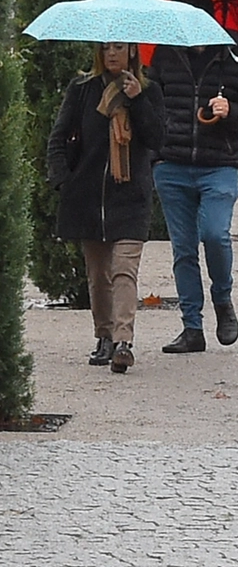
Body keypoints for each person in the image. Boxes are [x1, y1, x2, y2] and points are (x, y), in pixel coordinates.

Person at [149, 0, 238, 355]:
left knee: (215, 235)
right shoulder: (164, 57)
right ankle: (192, 327)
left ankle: (223, 299)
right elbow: (152, 108)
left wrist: (231, 111)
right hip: (171, 165)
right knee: (183, 249)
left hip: (220, 164)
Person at [46, 42, 164, 373]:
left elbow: (157, 138)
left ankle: (124, 341)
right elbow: (59, 136)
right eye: (106, 48)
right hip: (88, 196)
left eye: (120, 48)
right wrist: (62, 179)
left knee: (124, 269)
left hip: (130, 195)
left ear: (132, 52)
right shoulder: (82, 88)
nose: (112, 54)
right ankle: (104, 336)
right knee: (99, 276)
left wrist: (137, 98)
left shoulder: (149, 89)